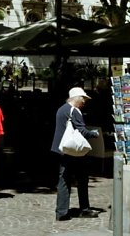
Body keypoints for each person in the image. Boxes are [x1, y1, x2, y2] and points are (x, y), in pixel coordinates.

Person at [50, 87, 100, 221]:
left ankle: (61, 212)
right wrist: (94, 134)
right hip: (73, 151)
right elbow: (82, 131)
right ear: (76, 98)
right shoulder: (74, 111)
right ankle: (84, 209)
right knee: (82, 179)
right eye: (83, 99)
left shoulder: (61, 109)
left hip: (62, 149)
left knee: (63, 180)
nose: (84, 102)